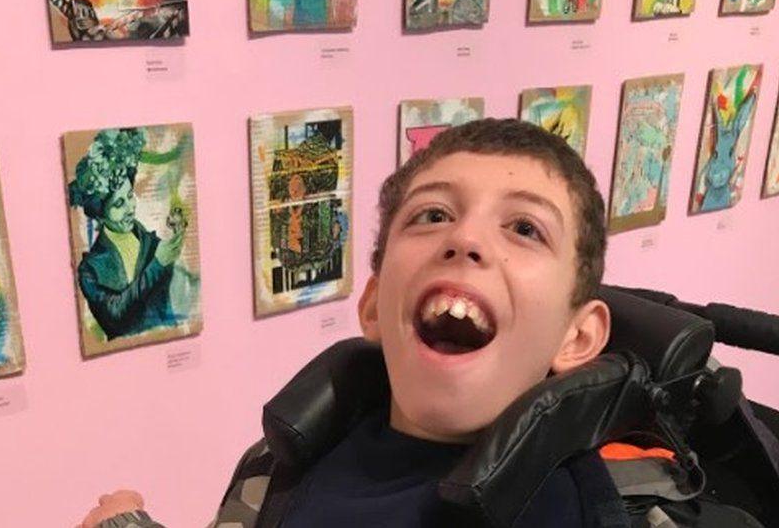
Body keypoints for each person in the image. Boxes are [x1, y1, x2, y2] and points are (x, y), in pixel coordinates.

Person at [79, 118, 624, 527]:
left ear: (578, 336)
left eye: (525, 228)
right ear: (372, 306)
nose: (465, 239)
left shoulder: (557, 510)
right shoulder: (288, 457)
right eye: (433, 215)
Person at [68, 128, 185, 341]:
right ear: (101, 216)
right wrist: (157, 265)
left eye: (130, 195)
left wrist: (179, 230)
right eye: (119, 203)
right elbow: (115, 315)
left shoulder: (152, 243)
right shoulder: (90, 270)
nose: (131, 207)